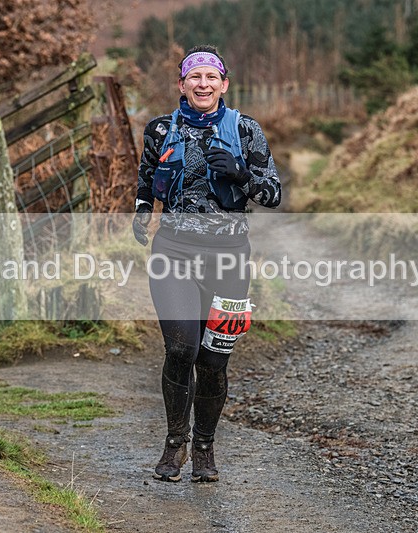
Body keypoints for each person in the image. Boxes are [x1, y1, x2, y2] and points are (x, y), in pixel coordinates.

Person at [132, 45, 281, 482]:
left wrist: (241, 174)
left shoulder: (246, 130)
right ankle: (174, 442)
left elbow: (273, 195)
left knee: (214, 362)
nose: (203, 83)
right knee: (181, 350)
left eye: (211, 77)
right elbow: (147, 178)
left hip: (229, 259)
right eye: (194, 77)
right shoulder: (161, 130)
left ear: (223, 85)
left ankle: (204, 447)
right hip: (173, 254)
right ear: (182, 84)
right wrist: (142, 212)